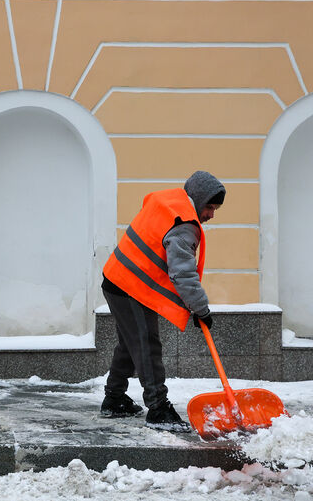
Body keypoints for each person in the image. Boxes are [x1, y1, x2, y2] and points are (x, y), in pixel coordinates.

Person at [98, 171, 225, 432]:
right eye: (210, 207)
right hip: (129, 286)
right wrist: (201, 309)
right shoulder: (185, 225)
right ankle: (158, 408)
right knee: (146, 344)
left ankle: (114, 399)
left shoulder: (169, 202)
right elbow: (183, 274)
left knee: (130, 344)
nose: (212, 214)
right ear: (198, 200)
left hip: (118, 277)